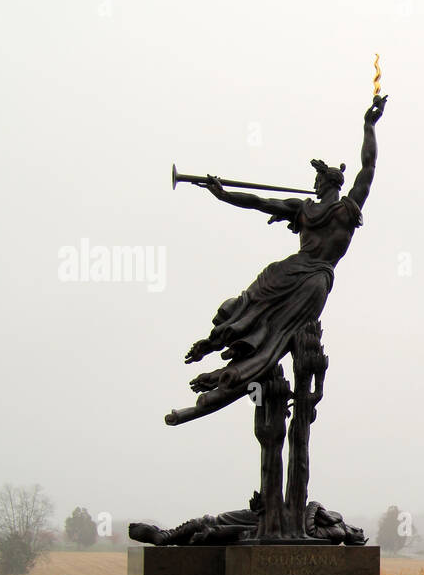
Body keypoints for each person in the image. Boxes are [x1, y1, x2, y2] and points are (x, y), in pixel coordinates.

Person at [165, 95, 388, 426]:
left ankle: (218, 363)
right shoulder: (333, 209)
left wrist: (223, 193)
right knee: (269, 330)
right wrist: (369, 126)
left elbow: (259, 201)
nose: (313, 186)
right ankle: (220, 355)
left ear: (324, 182)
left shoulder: (319, 209)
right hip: (307, 279)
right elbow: (260, 201)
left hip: (301, 276)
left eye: (316, 181)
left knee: (266, 326)